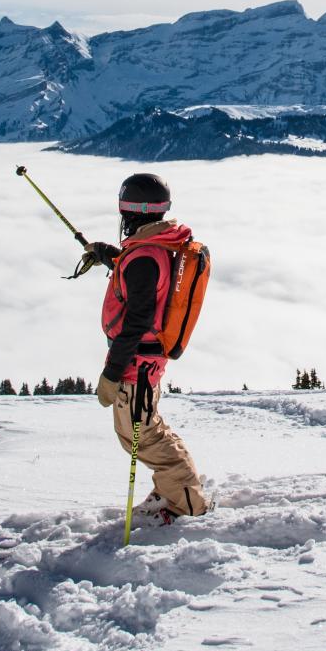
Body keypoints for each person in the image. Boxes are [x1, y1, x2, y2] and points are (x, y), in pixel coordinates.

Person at [88, 172, 210, 524]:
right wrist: (113, 257)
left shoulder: (144, 256)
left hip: (136, 364)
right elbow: (148, 283)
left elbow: (138, 318)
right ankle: (172, 488)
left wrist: (112, 373)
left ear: (132, 211)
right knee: (141, 431)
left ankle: (186, 501)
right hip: (144, 361)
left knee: (142, 436)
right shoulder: (156, 245)